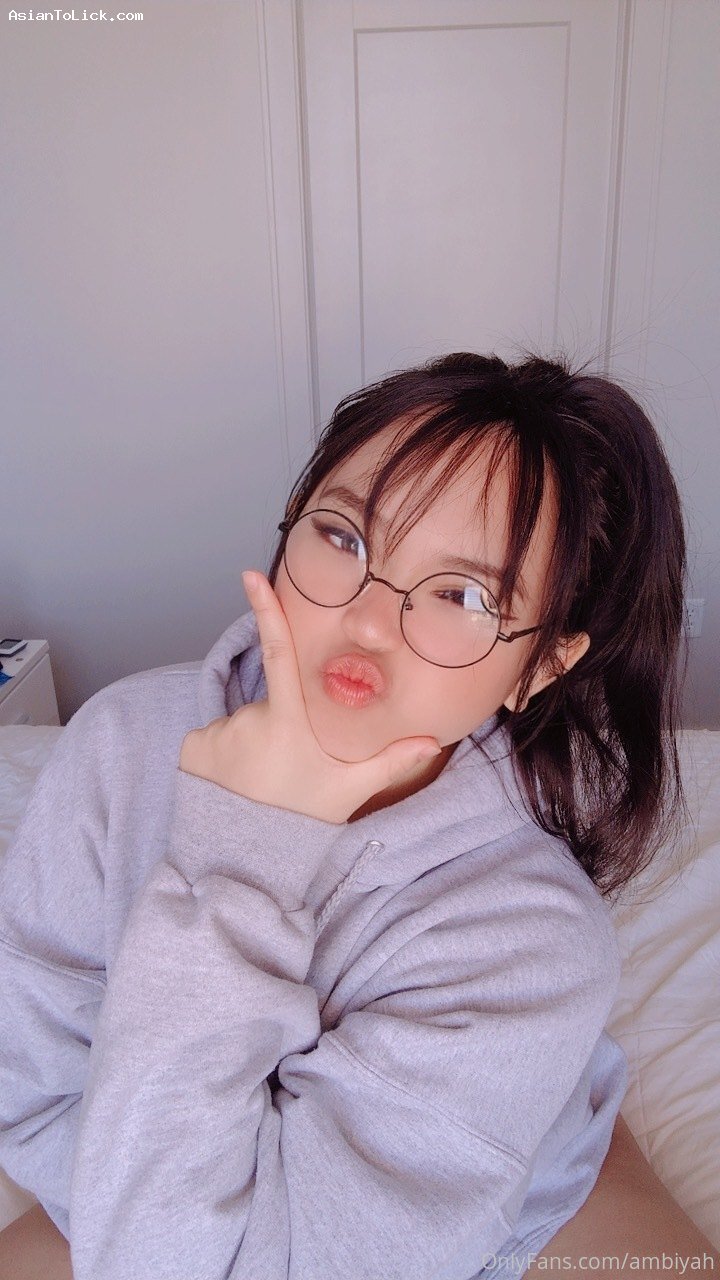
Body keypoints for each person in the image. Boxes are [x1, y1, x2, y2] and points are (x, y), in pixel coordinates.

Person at [0, 351, 716, 1278]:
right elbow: (28, 1092)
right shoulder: (119, 743)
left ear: (542, 665)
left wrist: (237, 862)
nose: (370, 621)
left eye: (463, 595)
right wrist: (158, 1205)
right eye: (343, 538)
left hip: (514, 1203)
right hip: (132, 1193)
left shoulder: (533, 941)